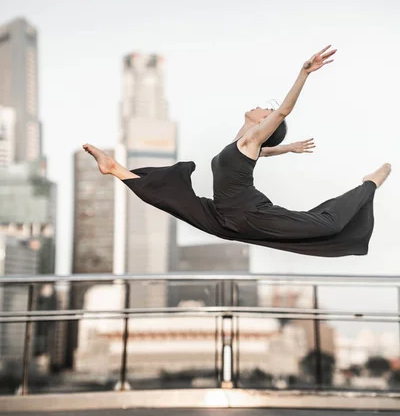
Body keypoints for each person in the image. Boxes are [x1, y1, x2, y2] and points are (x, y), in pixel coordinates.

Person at [83, 45, 391, 257]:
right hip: (224, 214)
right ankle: (113, 167)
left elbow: (282, 111)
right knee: (170, 197)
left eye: (265, 110)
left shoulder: (251, 141)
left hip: (249, 213)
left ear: (264, 122)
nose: (261, 106)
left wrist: (304, 73)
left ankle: (369, 183)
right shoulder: (240, 145)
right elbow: (259, 156)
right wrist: (286, 149)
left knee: (329, 224)